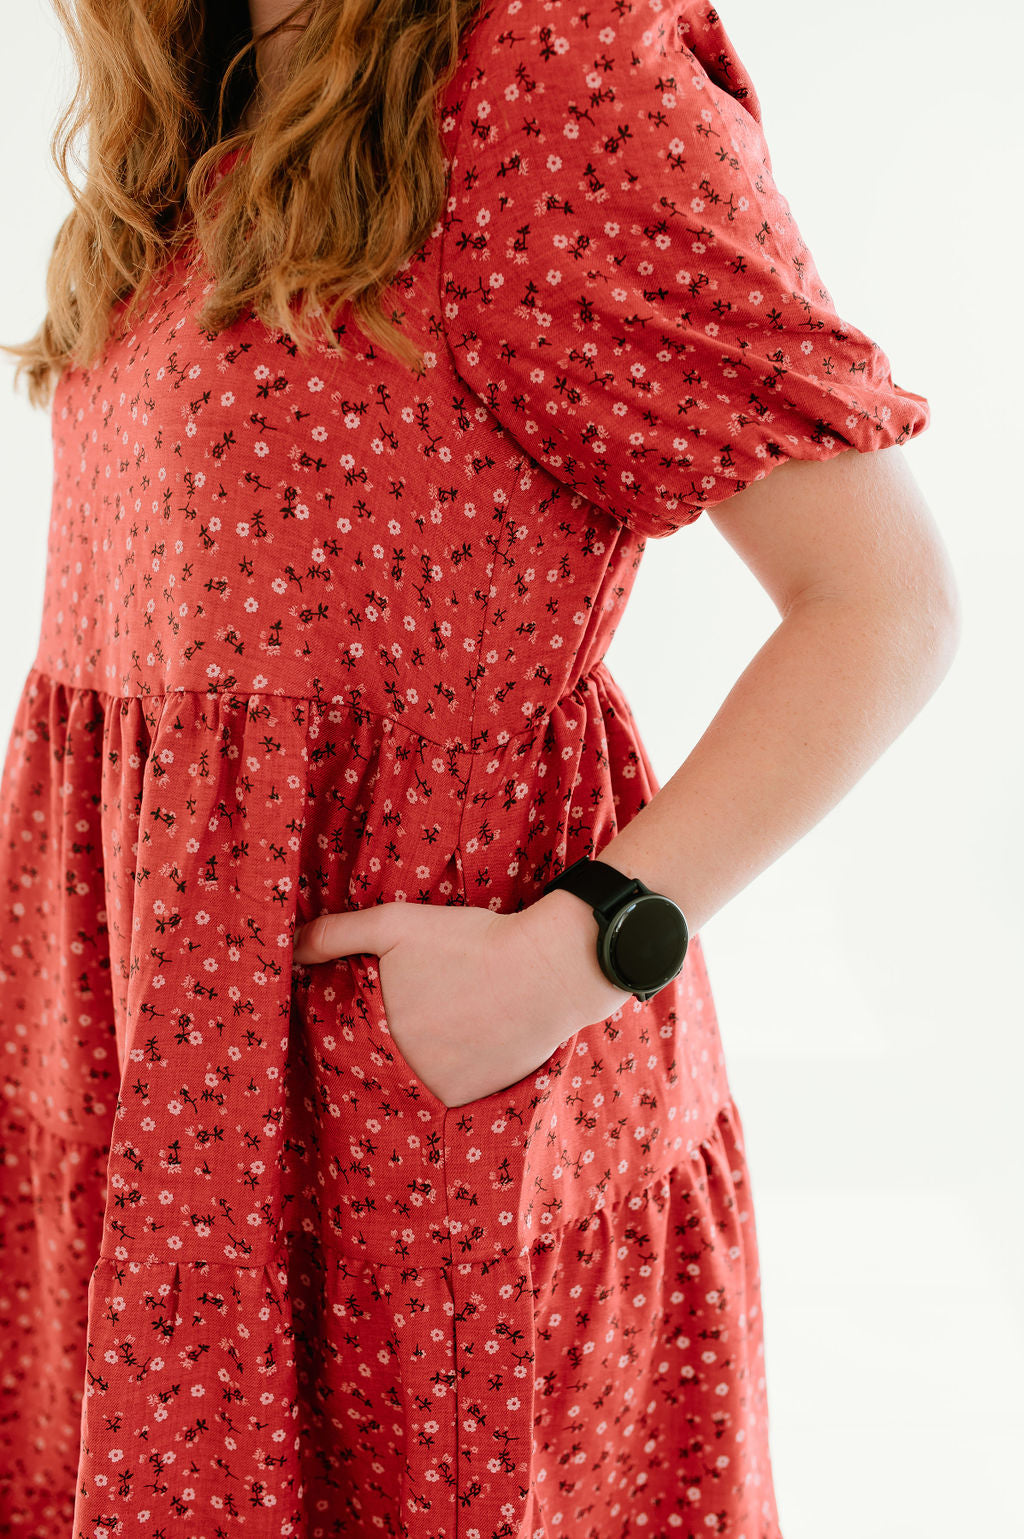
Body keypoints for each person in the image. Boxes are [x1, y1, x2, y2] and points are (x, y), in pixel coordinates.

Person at [0, 0, 960, 1534]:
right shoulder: (198, 71)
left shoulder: (551, 58)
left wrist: (577, 953)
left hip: (410, 1133)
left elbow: (886, 605)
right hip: (160, 1113)